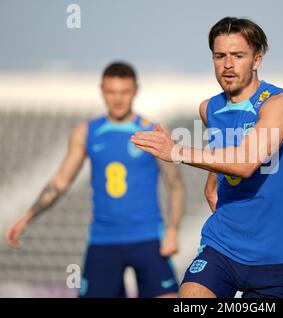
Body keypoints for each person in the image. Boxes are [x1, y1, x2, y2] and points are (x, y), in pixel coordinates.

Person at [131, 17, 283, 298]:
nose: (227, 64)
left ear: (256, 60)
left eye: (238, 56)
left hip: (273, 259)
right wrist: (213, 182)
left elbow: (247, 162)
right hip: (221, 246)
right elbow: (224, 149)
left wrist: (176, 151)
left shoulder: (281, 105)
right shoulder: (209, 108)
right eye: (219, 55)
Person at [5, 62, 185, 298]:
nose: (118, 99)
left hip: (148, 238)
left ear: (135, 91)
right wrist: (27, 217)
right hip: (104, 240)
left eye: (124, 92)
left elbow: (175, 185)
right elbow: (59, 183)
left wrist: (172, 231)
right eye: (112, 92)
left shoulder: (153, 132)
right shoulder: (87, 132)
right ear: (102, 90)